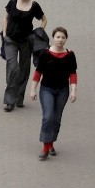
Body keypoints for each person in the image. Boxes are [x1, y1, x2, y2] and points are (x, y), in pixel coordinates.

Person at [31, 26, 78, 159]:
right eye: (58, 37)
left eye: (63, 37)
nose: (60, 40)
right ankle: (45, 147)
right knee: (48, 116)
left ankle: (51, 143)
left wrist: (74, 91)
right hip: (47, 89)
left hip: (62, 90)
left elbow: (73, 74)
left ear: (66, 39)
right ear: (53, 38)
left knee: (56, 118)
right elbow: (38, 72)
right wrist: (33, 89)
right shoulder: (45, 54)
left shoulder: (70, 55)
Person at [2, 0, 47, 112]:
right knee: (13, 67)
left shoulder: (34, 6)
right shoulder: (12, 2)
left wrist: (39, 32)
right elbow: (5, 17)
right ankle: (9, 100)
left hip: (26, 41)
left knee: (24, 69)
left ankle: (19, 97)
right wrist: (4, 33)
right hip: (10, 39)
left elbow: (44, 19)